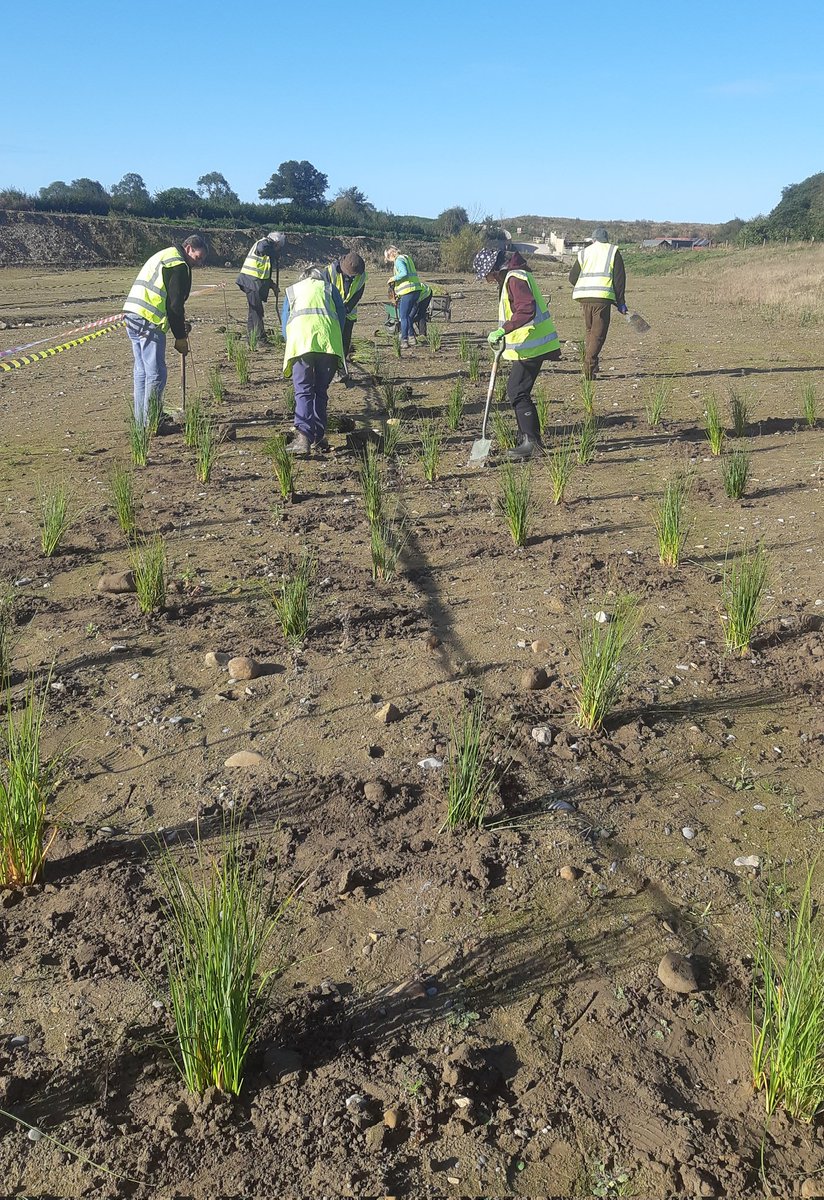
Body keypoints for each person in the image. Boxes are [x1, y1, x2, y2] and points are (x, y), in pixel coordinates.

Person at [474, 246, 561, 462]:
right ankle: (526, 436)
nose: (488, 281)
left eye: (487, 277)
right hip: (527, 345)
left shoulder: (515, 279)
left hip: (532, 345)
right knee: (517, 391)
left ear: (495, 270)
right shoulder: (514, 276)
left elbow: (526, 309)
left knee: (518, 392)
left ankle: (532, 442)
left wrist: (504, 329)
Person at [123, 235, 208, 425]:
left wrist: (179, 325)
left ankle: (142, 420)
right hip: (148, 319)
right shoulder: (178, 264)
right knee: (156, 373)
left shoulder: (165, 255)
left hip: (132, 313)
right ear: (188, 249)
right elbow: (174, 305)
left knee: (141, 371)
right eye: (198, 257)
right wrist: (180, 337)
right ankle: (151, 421)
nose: (199, 263)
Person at [281, 267, 346, 455]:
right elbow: (341, 317)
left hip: (301, 344)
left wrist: (290, 341)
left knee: (303, 391)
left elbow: (286, 321)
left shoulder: (293, 290)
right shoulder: (330, 289)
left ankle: (303, 438)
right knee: (320, 390)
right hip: (328, 345)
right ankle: (317, 437)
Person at [568, 227, 627, 380]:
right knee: (598, 335)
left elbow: (572, 278)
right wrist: (621, 302)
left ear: (593, 239)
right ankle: (589, 366)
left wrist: (585, 286)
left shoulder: (584, 252)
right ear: (606, 239)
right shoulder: (613, 251)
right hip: (601, 299)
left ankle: (592, 367)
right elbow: (619, 279)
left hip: (584, 297)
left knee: (590, 332)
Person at [236, 231, 286, 341]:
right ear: (276, 243)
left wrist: (272, 285)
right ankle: (260, 338)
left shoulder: (268, 249)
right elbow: (262, 248)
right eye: (279, 247)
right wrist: (274, 253)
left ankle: (251, 336)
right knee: (257, 310)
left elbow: (264, 273)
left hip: (252, 281)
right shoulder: (265, 243)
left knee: (253, 310)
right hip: (251, 281)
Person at [384, 247, 430, 349]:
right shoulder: (407, 258)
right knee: (409, 316)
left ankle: (404, 340)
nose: (389, 260)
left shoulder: (398, 260)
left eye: (388, 258)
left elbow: (404, 273)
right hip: (416, 290)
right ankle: (412, 338)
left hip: (407, 291)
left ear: (391, 254)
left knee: (403, 316)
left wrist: (392, 278)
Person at [324, 251, 366, 362]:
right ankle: (330, 363)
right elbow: (324, 292)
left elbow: (358, 294)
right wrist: (335, 309)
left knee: (345, 341)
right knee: (331, 340)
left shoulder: (361, 275)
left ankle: (341, 365)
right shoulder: (330, 271)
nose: (353, 276)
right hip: (331, 313)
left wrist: (347, 309)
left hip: (348, 314)